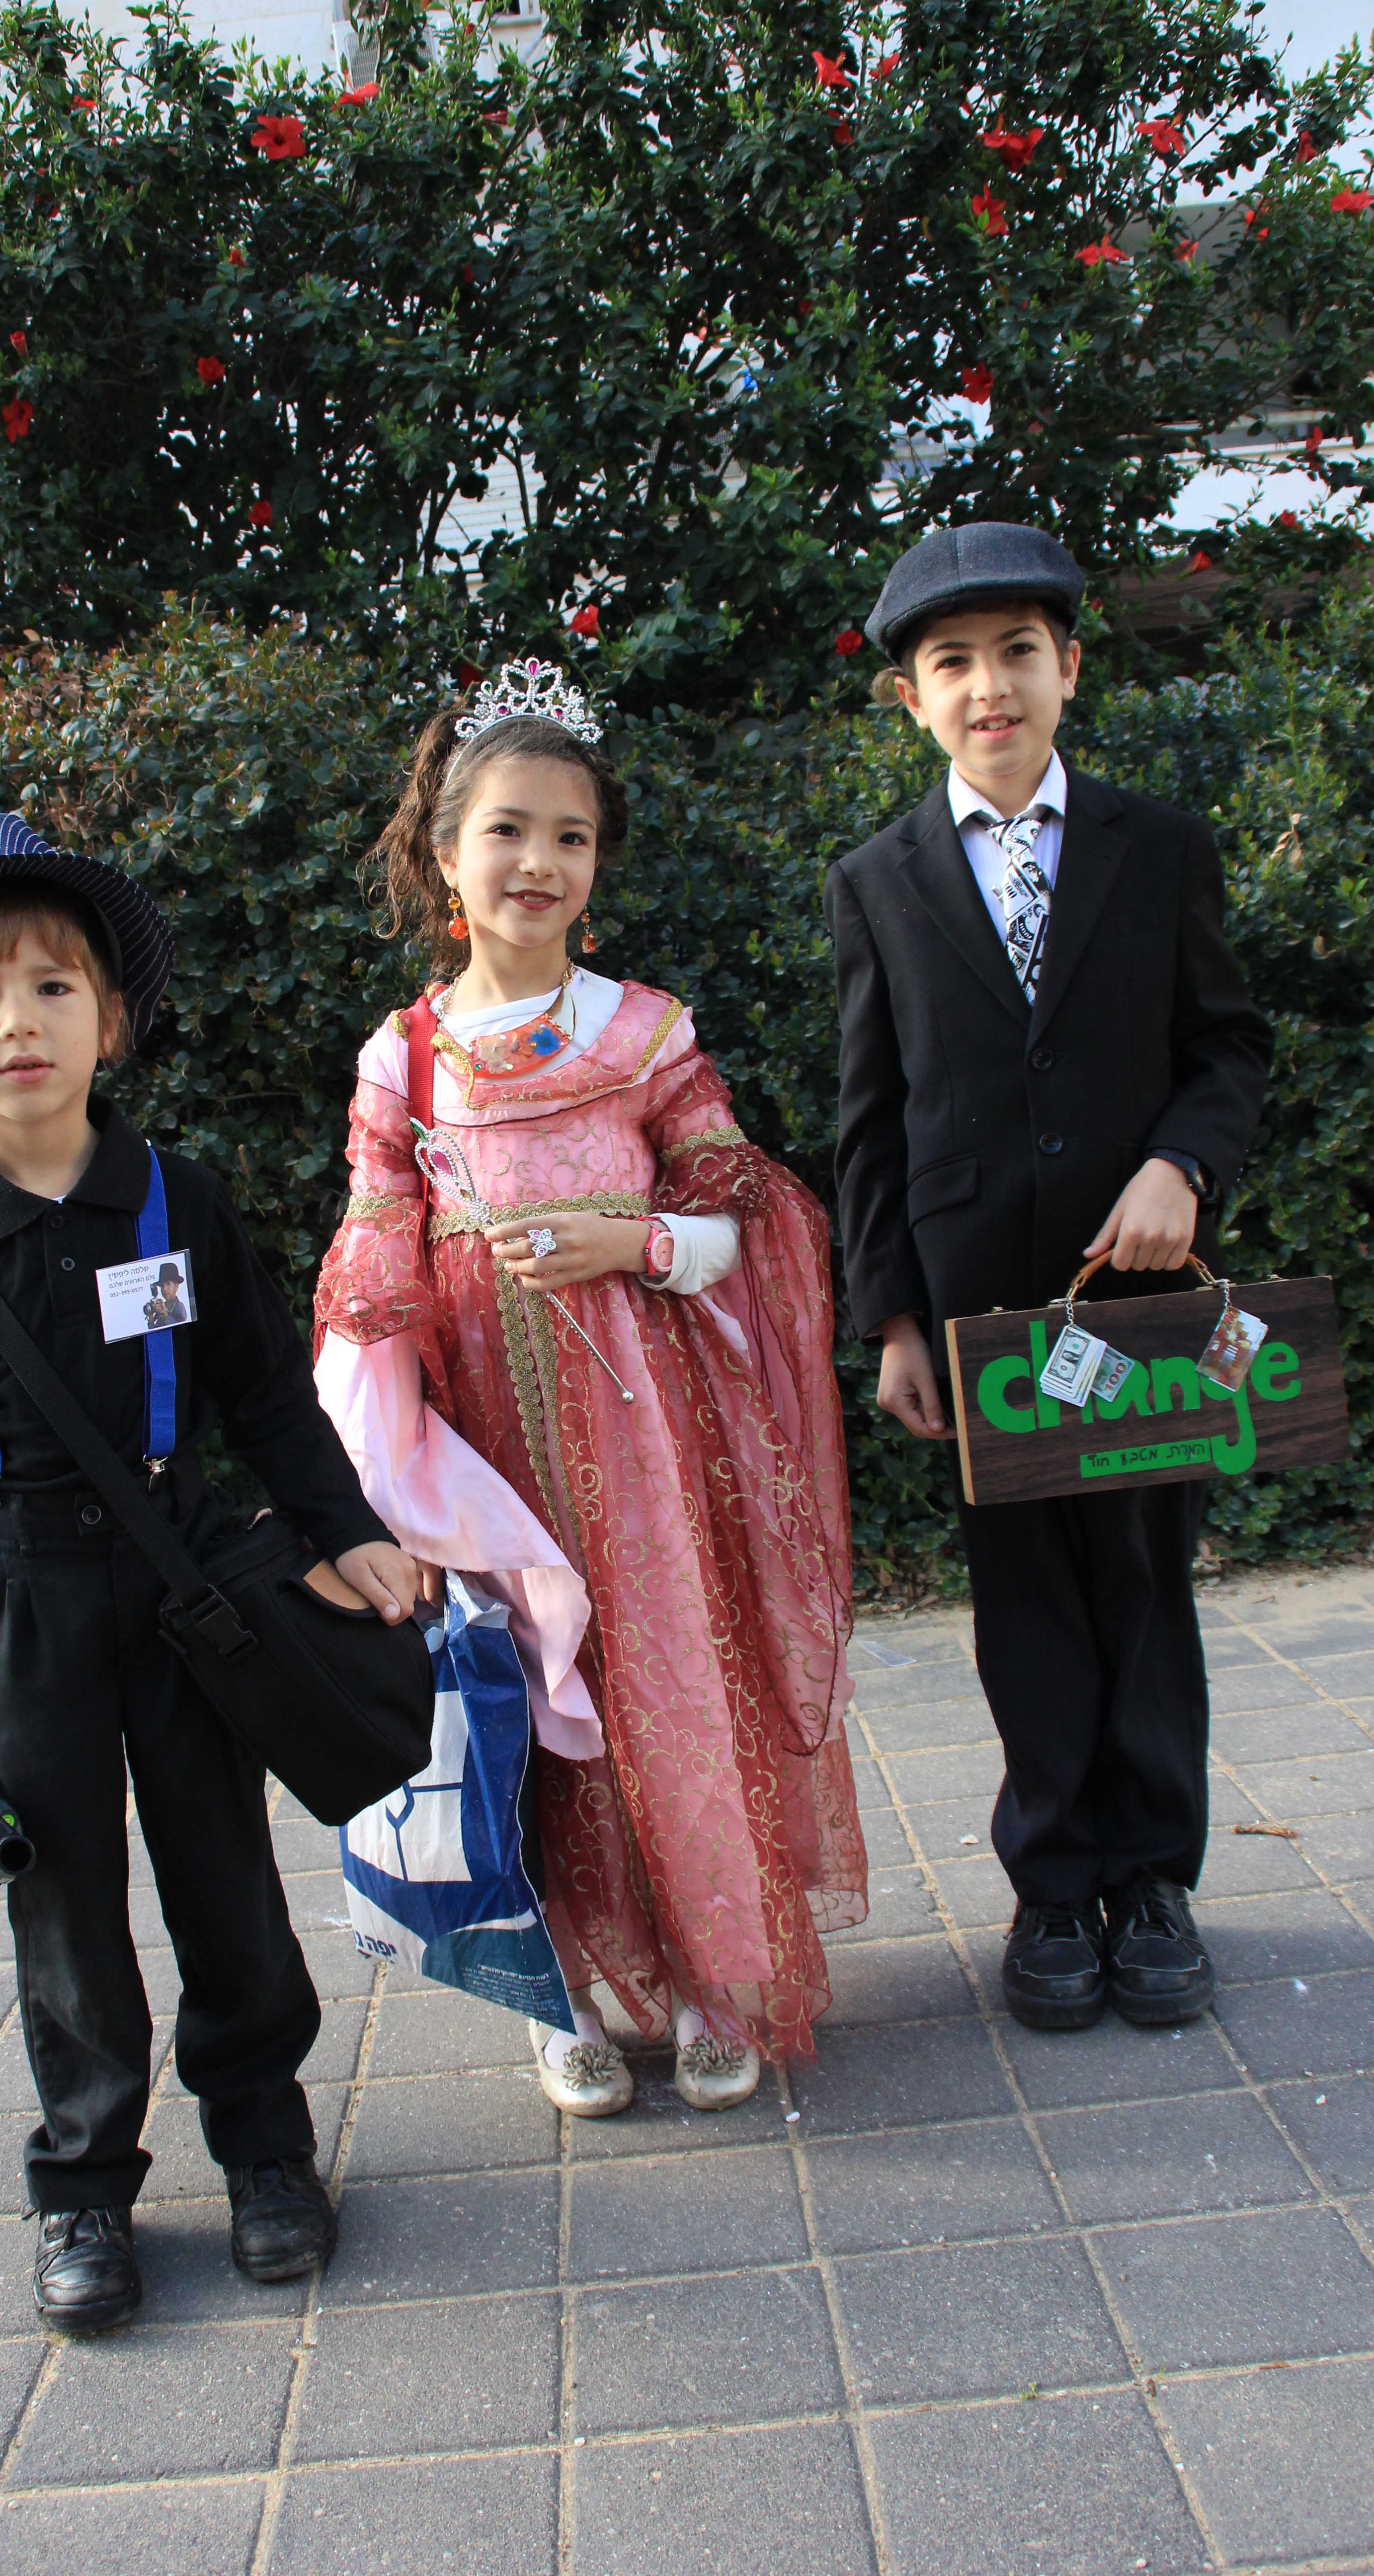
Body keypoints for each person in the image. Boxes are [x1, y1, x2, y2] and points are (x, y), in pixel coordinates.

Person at [0, 811, 418, 2332]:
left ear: (111, 1020)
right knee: (64, 1911)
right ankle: (85, 2189)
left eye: (54, 986)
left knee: (223, 1880)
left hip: (186, 1596)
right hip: (16, 1610)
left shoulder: (181, 1201)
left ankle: (268, 2151)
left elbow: (268, 1395)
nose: (18, 1021)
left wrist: (348, 1528)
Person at [314, 661, 864, 2118]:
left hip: (651, 1443)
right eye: (506, 830)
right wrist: (380, 1450)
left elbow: (741, 1221)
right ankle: (555, 1990)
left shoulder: (644, 1034)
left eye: (571, 835)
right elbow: (367, 1269)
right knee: (517, 1704)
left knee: (669, 1686)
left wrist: (637, 1243)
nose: (538, 861)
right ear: (445, 854)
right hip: (484, 1451)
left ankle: (706, 1978)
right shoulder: (404, 1059)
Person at [824, 523, 1272, 2033]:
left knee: (1143, 1584)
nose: (990, 685)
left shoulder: (1160, 848)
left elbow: (1227, 1047)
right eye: (952, 663)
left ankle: (1152, 1880)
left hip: (1141, 1303)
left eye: (1018, 651)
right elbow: (872, 1117)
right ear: (912, 700)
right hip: (983, 1316)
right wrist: (891, 1316)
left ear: (1070, 668)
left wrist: (1182, 1165)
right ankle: (1056, 1886)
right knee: (1023, 1603)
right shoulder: (877, 882)